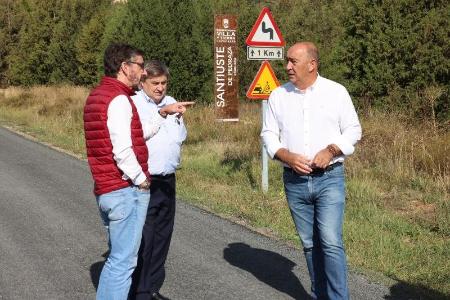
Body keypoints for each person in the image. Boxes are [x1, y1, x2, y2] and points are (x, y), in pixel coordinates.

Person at [83, 43, 191, 300]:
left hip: (108, 187)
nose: (142, 72)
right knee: (123, 263)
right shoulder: (120, 99)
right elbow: (123, 150)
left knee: (118, 261)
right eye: (140, 66)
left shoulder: (99, 94)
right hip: (123, 190)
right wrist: (141, 180)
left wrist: (162, 115)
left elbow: (132, 136)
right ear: (125, 67)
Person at [261, 42, 362, 300]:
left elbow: (353, 130)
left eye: (293, 61)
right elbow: (269, 134)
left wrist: (331, 150)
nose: (287, 66)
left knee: (330, 242)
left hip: (329, 179)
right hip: (294, 182)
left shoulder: (336, 92)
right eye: (287, 60)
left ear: (312, 64)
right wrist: (287, 156)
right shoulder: (278, 96)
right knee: (309, 245)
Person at [129, 60, 188, 300]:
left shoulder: (171, 101)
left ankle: (152, 288)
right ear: (142, 81)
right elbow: (137, 136)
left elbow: (180, 137)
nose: (160, 88)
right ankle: (138, 290)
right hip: (144, 180)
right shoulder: (133, 104)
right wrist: (162, 113)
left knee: (163, 237)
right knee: (144, 238)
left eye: (164, 83)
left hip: (167, 178)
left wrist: (173, 115)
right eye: (155, 83)